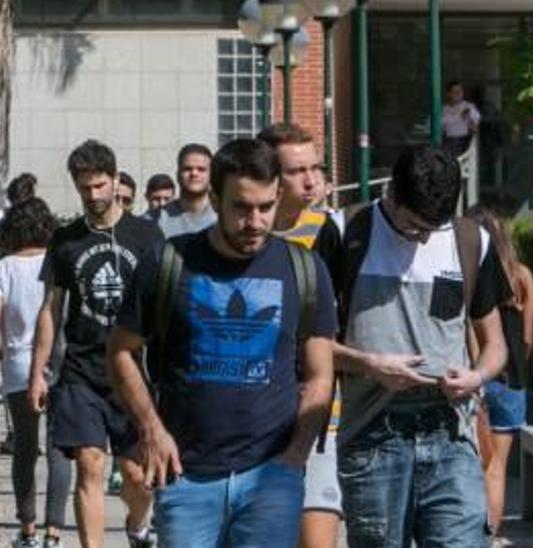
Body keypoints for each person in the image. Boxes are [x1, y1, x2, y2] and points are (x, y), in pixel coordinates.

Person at [107, 138, 338, 548]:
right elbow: (121, 351)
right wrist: (152, 430)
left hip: (271, 478)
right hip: (187, 477)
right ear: (215, 199)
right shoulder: (169, 262)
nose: (255, 221)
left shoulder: (304, 268)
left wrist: (297, 454)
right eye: (241, 208)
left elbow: (321, 374)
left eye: (265, 207)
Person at [336, 145, 511, 548]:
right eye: (414, 227)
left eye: (434, 228)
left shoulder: (470, 241)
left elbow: (495, 345)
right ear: (391, 195)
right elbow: (309, 344)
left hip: (451, 432)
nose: (424, 238)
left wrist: (477, 375)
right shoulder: (347, 231)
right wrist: (368, 363)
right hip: (373, 434)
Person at [26, 140, 165, 548]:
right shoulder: (66, 240)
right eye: (84, 187)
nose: (93, 195)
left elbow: (164, 302)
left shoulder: (146, 235)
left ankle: (138, 527)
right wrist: (39, 373)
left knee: (138, 475)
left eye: (100, 185)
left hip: (133, 373)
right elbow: (51, 310)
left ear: (116, 180)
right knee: (89, 463)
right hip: (81, 371)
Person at [257, 122, 345, 548]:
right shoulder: (238, 235)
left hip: (315, 409)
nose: (311, 180)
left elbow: (337, 328)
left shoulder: (326, 232)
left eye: (316, 167)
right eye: (296, 171)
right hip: (249, 412)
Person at [0, 197, 73, 548]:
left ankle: (28, 530)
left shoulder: (1, 269)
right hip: (59, 362)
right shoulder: (59, 263)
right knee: (58, 450)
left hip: (19, 364)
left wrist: (2, 353)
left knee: (24, 447)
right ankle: (55, 533)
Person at [464, 206, 533, 546]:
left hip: (476, 375)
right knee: (498, 466)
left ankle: (475, 532)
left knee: (476, 462)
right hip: (512, 379)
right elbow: (528, 336)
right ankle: (492, 534)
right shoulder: (522, 277)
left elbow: (468, 332)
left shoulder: (468, 274)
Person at [149, 144, 216, 238]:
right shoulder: (155, 219)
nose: (194, 173)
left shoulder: (224, 217)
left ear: (211, 175)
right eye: (187, 169)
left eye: (201, 169)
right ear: (177, 175)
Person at [441, 80, 481, 157]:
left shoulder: (468, 106)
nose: (459, 94)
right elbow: (442, 123)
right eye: (455, 92)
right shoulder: (444, 110)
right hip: (448, 142)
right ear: (449, 94)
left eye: (460, 92)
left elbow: (477, 118)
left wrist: (470, 113)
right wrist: (459, 116)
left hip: (464, 142)